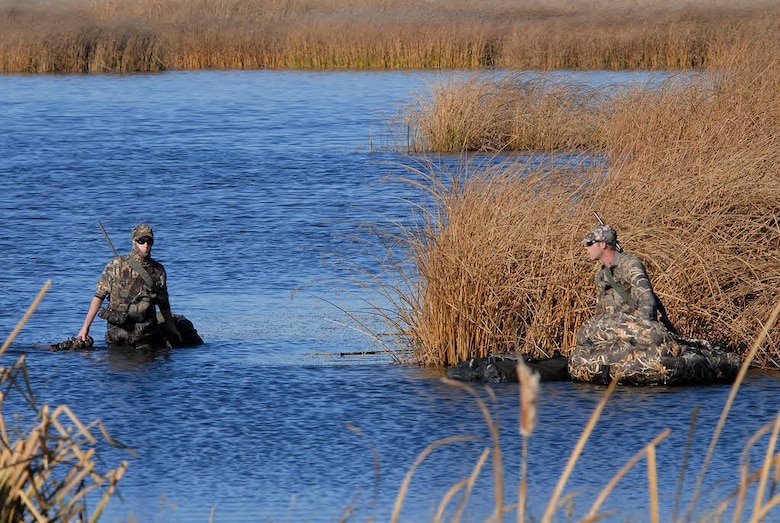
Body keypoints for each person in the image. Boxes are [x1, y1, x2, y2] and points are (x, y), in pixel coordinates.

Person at [77, 224, 182, 349]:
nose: (146, 245)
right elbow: (98, 297)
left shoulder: (158, 270)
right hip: (117, 332)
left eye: (149, 241)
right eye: (141, 241)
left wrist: (172, 327)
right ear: (134, 242)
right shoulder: (115, 266)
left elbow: (164, 304)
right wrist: (85, 328)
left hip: (145, 334)